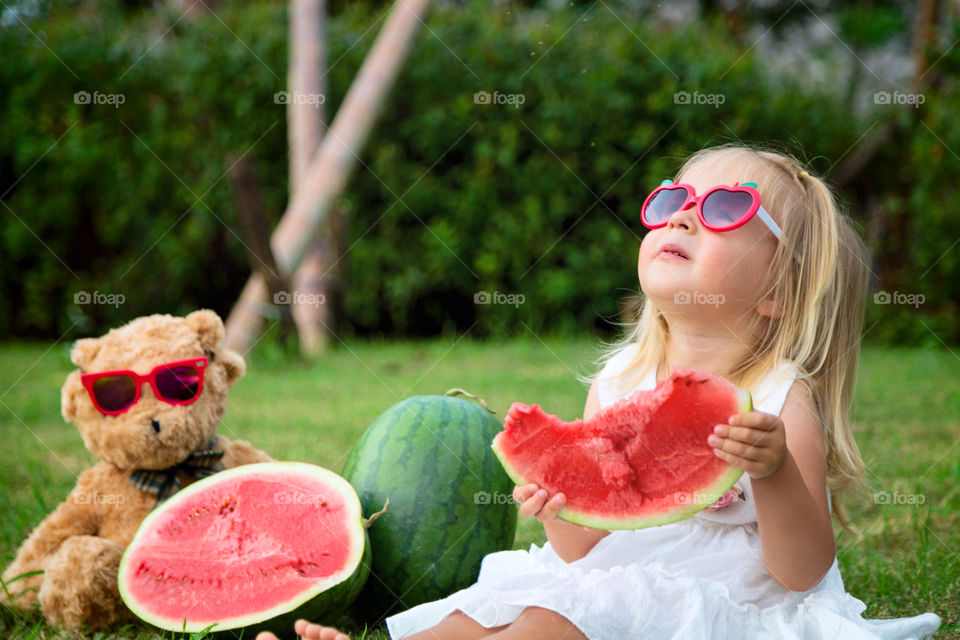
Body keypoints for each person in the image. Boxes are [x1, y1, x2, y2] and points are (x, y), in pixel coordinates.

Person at [257, 144, 942, 639]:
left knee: (545, 625)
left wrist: (776, 471)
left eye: (727, 208)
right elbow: (582, 548)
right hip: (606, 577)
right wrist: (559, 503)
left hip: (725, 601)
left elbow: (801, 570)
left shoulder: (779, 397)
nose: (681, 217)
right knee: (479, 616)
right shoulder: (618, 382)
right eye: (674, 199)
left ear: (777, 293)